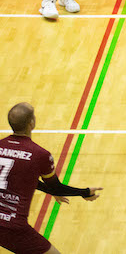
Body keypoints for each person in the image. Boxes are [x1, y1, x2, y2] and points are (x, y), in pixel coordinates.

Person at [1, 103, 101, 254]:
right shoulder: (39, 154)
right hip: (12, 227)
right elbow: (57, 187)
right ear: (31, 123)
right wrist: (85, 192)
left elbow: (23, 177)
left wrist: (51, 190)